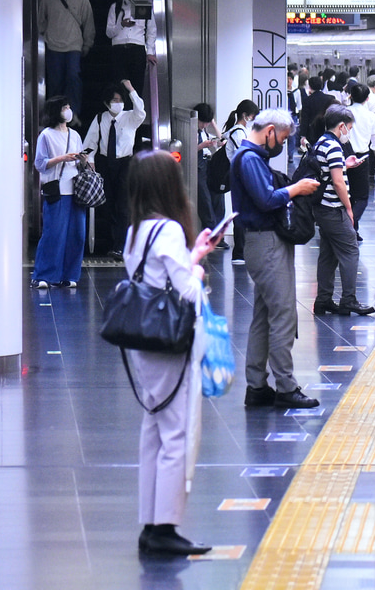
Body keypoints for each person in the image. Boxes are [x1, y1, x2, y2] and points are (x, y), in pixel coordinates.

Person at [123, 150, 219, 556]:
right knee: (178, 434)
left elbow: (158, 275)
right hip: (171, 346)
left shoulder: (137, 231)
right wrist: (197, 269)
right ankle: (165, 527)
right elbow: (188, 291)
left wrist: (192, 254)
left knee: (154, 433)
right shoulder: (167, 230)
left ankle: (151, 523)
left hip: (144, 344)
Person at [229, 109, 323, 410]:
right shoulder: (250, 159)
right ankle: (286, 386)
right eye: (281, 138)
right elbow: (266, 199)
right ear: (269, 130)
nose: (281, 144)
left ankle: (256, 385)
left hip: (261, 242)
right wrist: (297, 189)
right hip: (266, 242)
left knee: (263, 316)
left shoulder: (249, 157)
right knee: (283, 314)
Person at [312, 105, 375, 317]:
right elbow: (338, 183)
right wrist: (349, 209)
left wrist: (345, 165)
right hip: (333, 208)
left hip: (322, 208)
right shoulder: (334, 146)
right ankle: (348, 300)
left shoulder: (321, 142)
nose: (349, 132)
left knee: (328, 254)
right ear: (341, 126)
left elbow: (329, 171)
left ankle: (323, 300)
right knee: (350, 250)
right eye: (348, 128)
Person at [82, 80, 148, 258]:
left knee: (123, 205)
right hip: (105, 163)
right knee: (109, 204)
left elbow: (141, 111)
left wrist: (131, 90)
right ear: (106, 102)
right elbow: (89, 144)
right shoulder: (100, 118)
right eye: (114, 100)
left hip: (125, 163)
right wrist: (90, 160)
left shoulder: (130, 117)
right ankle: (114, 242)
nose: (118, 103)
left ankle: (121, 245)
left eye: (120, 100)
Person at [30, 96, 86, 289]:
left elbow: (80, 162)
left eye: (69, 106)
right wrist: (62, 158)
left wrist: (81, 159)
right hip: (57, 189)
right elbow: (39, 164)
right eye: (65, 107)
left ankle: (69, 275)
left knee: (76, 234)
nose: (69, 110)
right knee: (53, 233)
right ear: (57, 111)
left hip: (76, 190)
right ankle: (43, 275)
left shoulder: (75, 135)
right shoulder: (46, 135)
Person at [38, 0, 94, 114]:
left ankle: (73, 112)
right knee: (55, 81)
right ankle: (54, 112)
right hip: (53, 45)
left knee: (73, 77)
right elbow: (40, 22)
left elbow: (88, 23)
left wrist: (87, 44)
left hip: (74, 45)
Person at [223, 99, 260, 265]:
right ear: (245, 115)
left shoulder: (240, 131)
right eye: (251, 117)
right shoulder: (238, 132)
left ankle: (242, 251)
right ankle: (239, 252)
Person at [106, 0, 157, 105]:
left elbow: (151, 31)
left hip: (137, 49)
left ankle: (134, 115)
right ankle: (119, 116)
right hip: (118, 49)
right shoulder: (116, 7)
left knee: (137, 86)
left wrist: (150, 52)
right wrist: (121, 25)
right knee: (118, 86)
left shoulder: (145, 7)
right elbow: (109, 33)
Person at [346, 83, 375, 239]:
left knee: (349, 195)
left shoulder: (344, 113)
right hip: (362, 157)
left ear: (350, 96)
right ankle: (350, 225)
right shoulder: (371, 117)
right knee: (361, 197)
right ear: (367, 98)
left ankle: (353, 229)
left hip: (344, 157)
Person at [192, 102, 226, 236]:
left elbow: (222, 141)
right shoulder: (192, 129)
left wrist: (213, 123)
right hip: (199, 167)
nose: (204, 125)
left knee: (218, 200)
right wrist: (202, 146)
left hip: (209, 166)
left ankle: (217, 234)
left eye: (207, 122)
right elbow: (190, 150)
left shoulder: (204, 130)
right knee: (205, 201)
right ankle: (211, 233)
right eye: (203, 122)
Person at [299, 75, 334, 148]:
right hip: (326, 130)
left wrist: (303, 135)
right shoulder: (330, 98)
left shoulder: (307, 100)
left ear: (310, 86)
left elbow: (305, 118)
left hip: (312, 132)